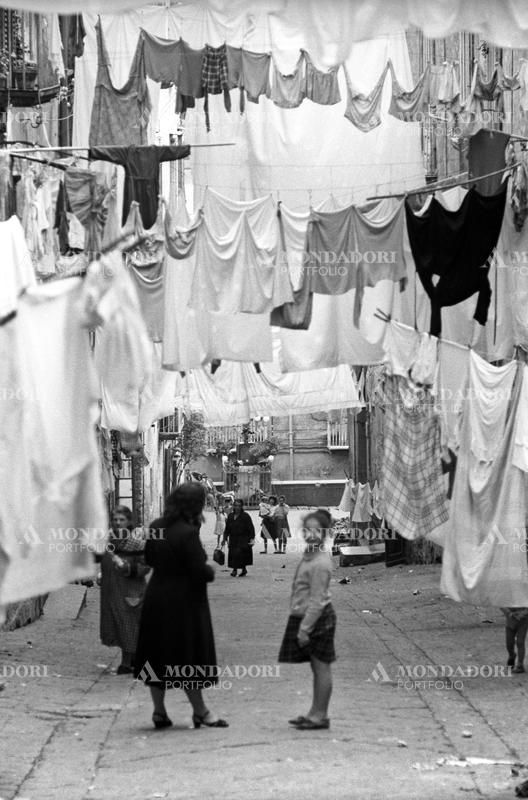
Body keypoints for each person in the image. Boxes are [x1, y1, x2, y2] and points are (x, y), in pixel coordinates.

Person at [133, 484, 228, 730]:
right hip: (184, 601)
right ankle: (201, 712)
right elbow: (200, 571)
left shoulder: (156, 527)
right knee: (187, 655)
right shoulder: (187, 532)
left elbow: (150, 559)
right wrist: (212, 570)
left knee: (157, 654)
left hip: (157, 595)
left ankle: (159, 711)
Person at [279, 509, 336, 730]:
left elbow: (318, 601)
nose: (312, 534)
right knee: (316, 666)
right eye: (308, 530)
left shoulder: (321, 562)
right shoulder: (310, 554)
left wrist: (304, 629)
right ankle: (315, 712)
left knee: (322, 667)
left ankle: (320, 716)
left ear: (325, 533)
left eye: (317, 531)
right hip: (308, 617)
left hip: (317, 619)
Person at [99, 505, 150, 675]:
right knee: (120, 628)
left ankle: (128, 664)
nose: (117, 523)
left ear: (128, 522)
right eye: (115, 520)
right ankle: (131, 661)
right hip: (113, 592)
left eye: (121, 520)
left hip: (131, 591)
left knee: (131, 629)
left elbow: (145, 566)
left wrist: (127, 567)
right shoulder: (110, 542)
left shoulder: (136, 543)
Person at [223, 499, 255, 577]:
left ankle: (243, 569)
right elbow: (227, 528)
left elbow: (251, 528)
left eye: (239, 506)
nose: (237, 507)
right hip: (233, 538)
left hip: (243, 538)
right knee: (233, 554)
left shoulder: (245, 516)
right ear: (233, 506)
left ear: (241, 507)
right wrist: (224, 538)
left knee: (240, 553)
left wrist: (252, 539)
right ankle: (235, 570)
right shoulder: (230, 516)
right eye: (235, 505)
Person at [501, 607, 528, 673]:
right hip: (510, 621)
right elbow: (501, 605)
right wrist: (509, 613)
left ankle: (520, 665)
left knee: (520, 642)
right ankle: (512, 655)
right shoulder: (506, 597)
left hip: (523, 620)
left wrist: (522, 613)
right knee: (509, 644)